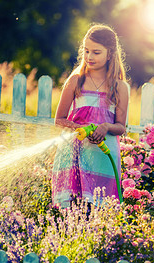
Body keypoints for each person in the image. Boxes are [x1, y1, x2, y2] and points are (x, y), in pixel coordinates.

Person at [52, 23, 129, 208]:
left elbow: (120, 126)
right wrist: (82, 129)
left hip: (102, 156)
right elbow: (59, 119)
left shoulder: (119, 87)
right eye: (86, 51)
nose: (89, 57)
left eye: (96, 52)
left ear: (110, 53)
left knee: (99, 208)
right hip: (74, 153)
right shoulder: (76, 80)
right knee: (71, 209)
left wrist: (105, 127)